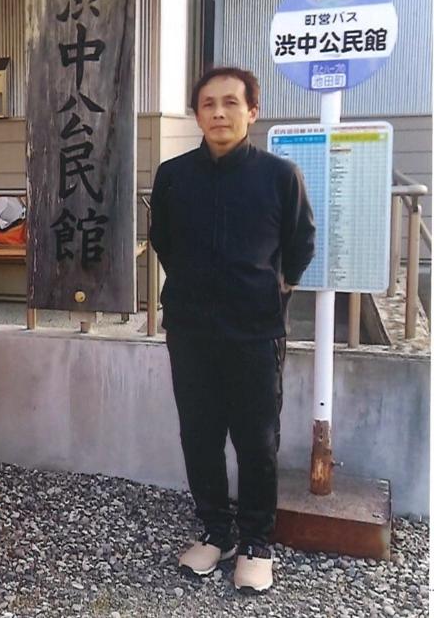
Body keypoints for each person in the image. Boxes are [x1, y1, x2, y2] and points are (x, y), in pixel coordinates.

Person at [149, 67, 315, 594]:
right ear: (197, 114)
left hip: (254, 332)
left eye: (230, 103)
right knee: (199, 434)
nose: (219, 113)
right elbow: (163, 241)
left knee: (256, 440)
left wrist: (274, 289)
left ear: (252, 111)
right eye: (208, 104)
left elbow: (300, 244)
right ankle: (216, 532)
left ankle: (257, 542)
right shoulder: (173, 175)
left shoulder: (279, 175)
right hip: (191, 329)